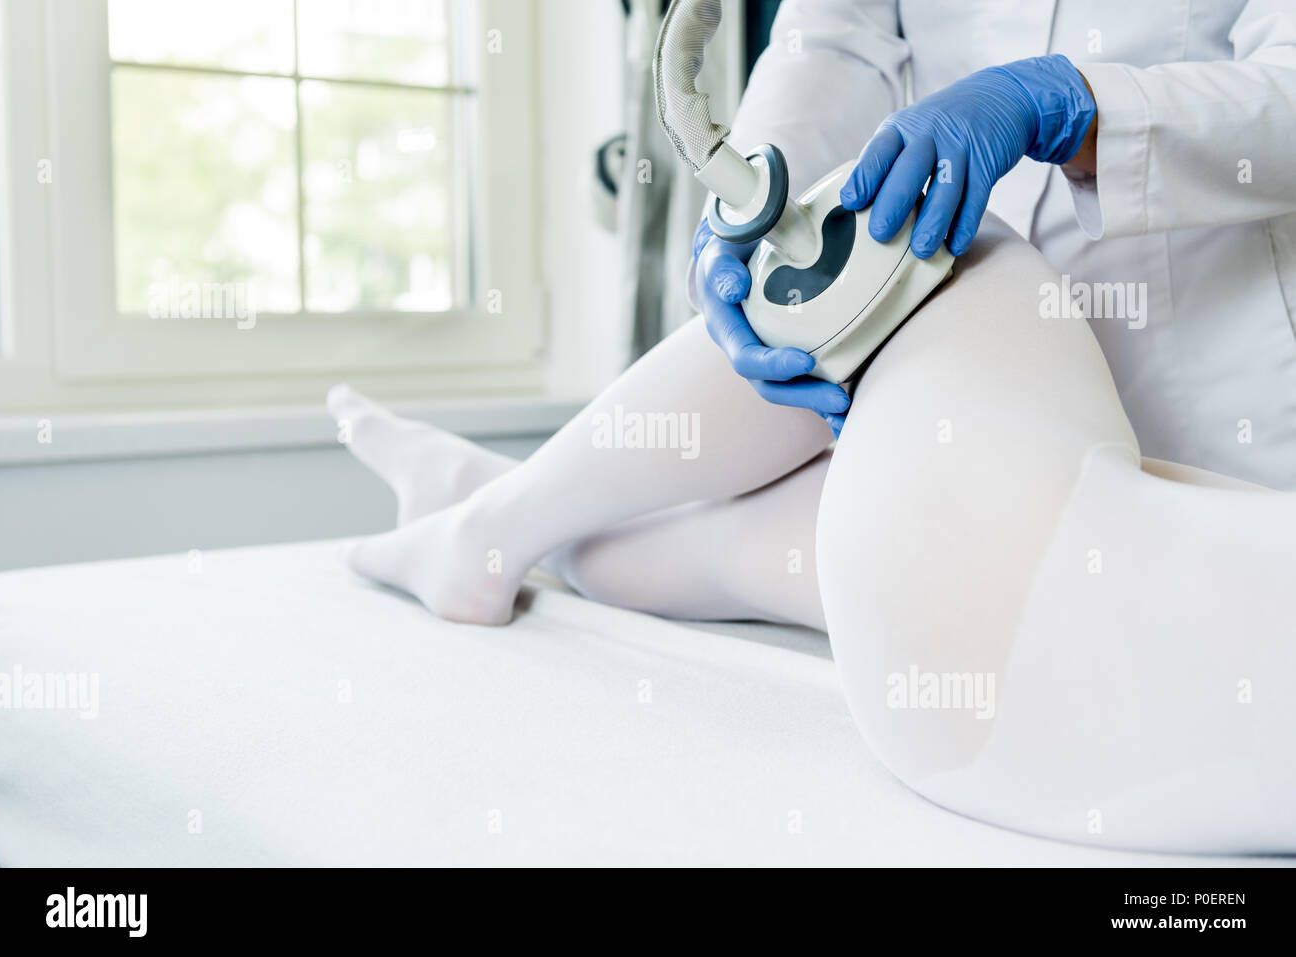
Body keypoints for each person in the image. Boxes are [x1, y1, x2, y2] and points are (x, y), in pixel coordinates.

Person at [330, 214, 1295, 853]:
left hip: (1002, 578)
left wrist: (764, 225)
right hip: (992, 743)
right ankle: (486, 504)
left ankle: (492, 526)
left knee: (939, 241)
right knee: (789, 539)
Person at [695, 0, 1296, 490]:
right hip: (944, 324)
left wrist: (1081, 110)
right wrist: (753, 216)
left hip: (1212, 369)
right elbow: (830, 44)